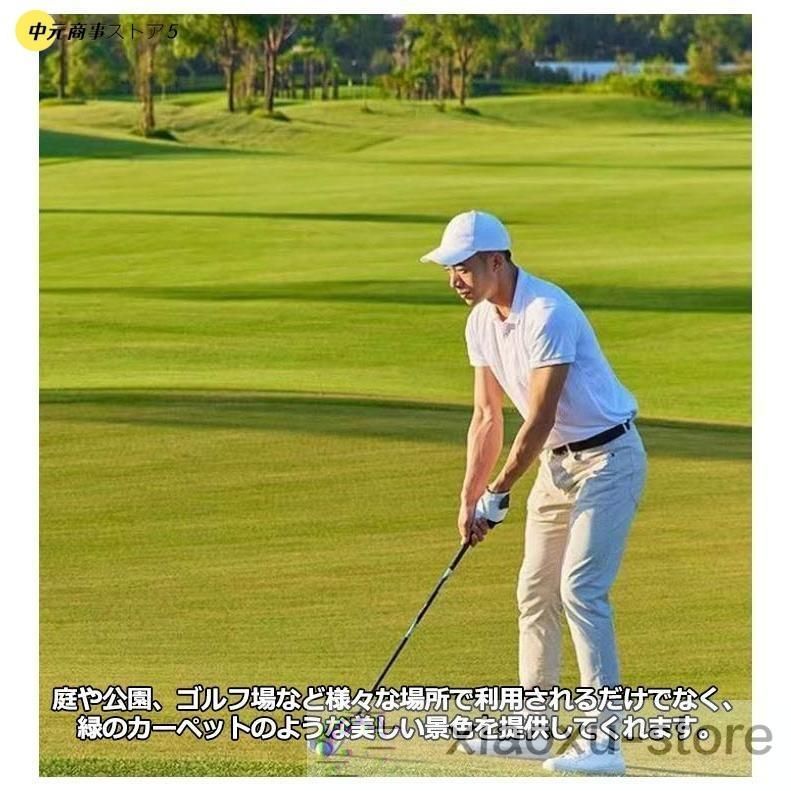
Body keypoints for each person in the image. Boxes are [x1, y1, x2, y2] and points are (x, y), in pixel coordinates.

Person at [420, 210, 647, 775]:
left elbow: (540, 418)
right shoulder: (480, 322)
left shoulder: (548, 311)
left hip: (609, 458)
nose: (454, 279)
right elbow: (486, 416)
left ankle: (604, 742)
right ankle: (534, 729)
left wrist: (500, 490)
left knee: (581, 589)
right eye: (449, 269)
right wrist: (471, 497)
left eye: (463, 267)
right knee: (535, 591)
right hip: (557, 466)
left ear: (496, 261)